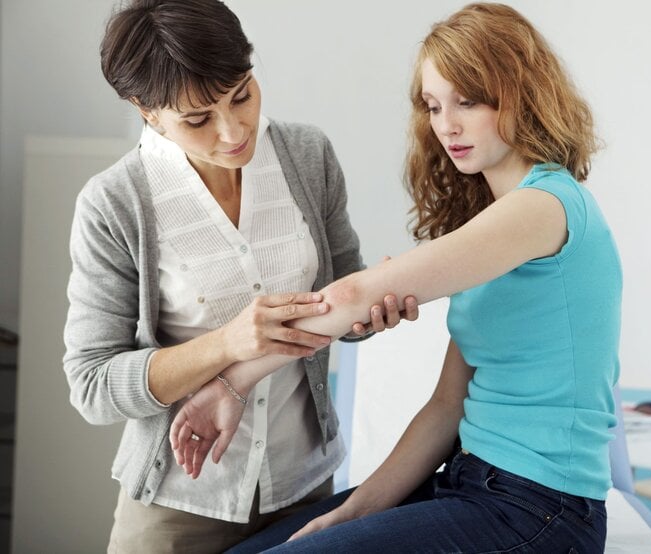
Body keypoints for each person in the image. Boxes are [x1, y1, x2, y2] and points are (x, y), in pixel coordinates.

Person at [173, 2, 623, 553]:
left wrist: (234, 380)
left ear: (522, 92)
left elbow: (357, 294)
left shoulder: (546, 207)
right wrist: (353, 512)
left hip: (542, 510)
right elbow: (445, 408)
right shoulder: (492, 235)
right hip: (468, 483)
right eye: (433, 106)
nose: (446, 126)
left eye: (468, 101)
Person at [61, 1, 418, 553]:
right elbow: (93, 387)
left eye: (242, 95)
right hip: (179, 504)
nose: (233, 132)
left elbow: (344, 302)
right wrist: (228, 342)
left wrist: (371, 308)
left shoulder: (307, 156)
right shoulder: (115, 204)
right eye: (198, 119)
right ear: (145, 109)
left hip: (304, 486)